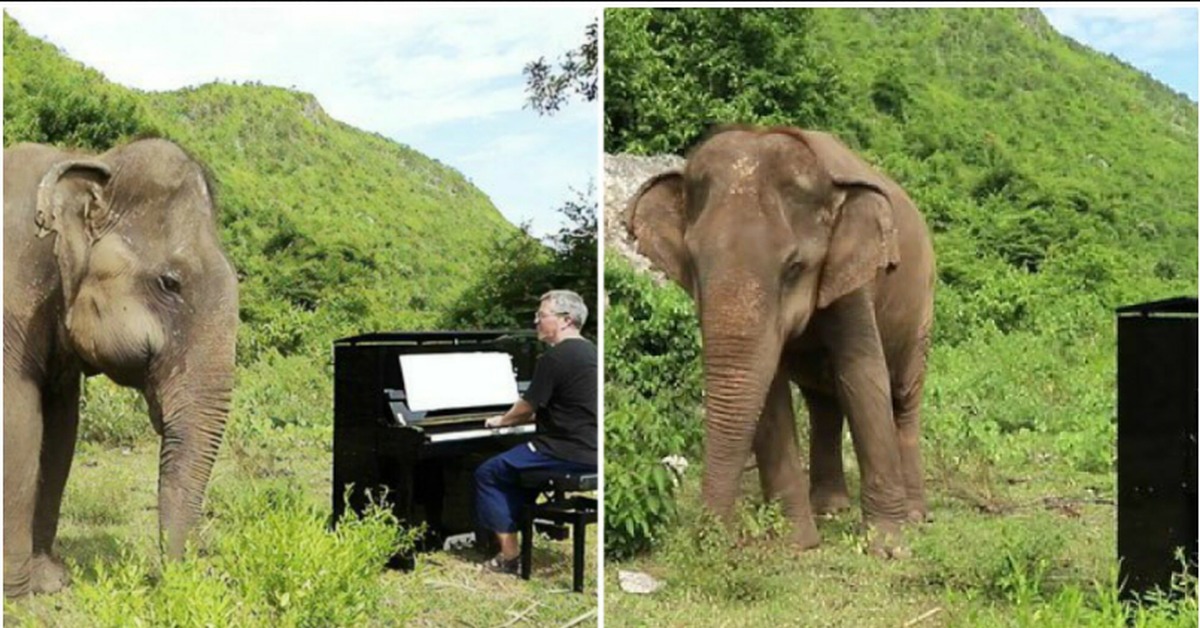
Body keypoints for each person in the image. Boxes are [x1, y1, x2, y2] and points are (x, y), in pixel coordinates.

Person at [474, 289, 597, 574]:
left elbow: (526, 409)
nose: (536, 322)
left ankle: (508, 557)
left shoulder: (555, 358)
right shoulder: (590, 351)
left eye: (542, 316)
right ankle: (508, 531)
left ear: (565, 320)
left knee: (488, 473)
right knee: (516, 471)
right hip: (590, 449)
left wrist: (500, 421)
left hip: (562, 451)